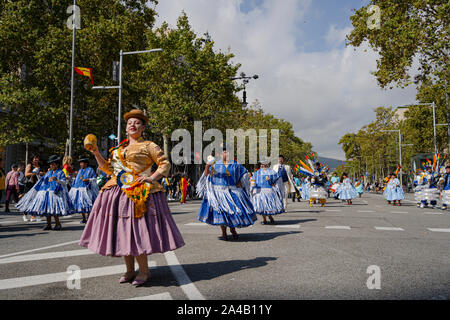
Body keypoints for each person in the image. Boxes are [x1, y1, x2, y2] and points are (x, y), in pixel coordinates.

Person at [80, 109, 185, 287]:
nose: (132, 125)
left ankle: (144, 271)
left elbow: (164, 164)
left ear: (143, 127)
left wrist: (151, 178)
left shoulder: (150, 145)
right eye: (129, 123)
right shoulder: (118, 149)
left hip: (140, 194)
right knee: (122, 232)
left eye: (136, 123)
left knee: (136, 232)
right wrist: (96, 152)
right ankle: (129, 270)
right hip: (117, 193)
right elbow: (108, 170)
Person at [196, 143, 257, 241]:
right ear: (220, 154)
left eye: (228, 151)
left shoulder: (236, 165)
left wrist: (241, 183)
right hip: (220, 193)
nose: (226, 153)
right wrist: (207, 166)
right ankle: (224, 232)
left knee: (232, 213)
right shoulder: (215, 165)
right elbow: (207, 176)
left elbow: (245, 175)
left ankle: (232, 229)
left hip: (233, 192)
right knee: (222, 213)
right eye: (224, 151)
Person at [16, 155, 74, 230]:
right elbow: (42, 180)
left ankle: (58, 224)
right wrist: (37, 175)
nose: (51, 165)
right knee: (47, 209)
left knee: (54, 209)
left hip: (55, 193)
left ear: (57, 164)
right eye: (50, 164)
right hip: (46, 192)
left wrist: (56, 180)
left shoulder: (60, 172)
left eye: (53, 164)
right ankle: (49, 224)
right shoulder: (48, 172)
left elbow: (64, 183)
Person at [250, 158, 285, 225]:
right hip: (260, 191)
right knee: (262, 206)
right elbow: (253, 181)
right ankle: (264, 219)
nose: (263, 165)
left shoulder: (272, 172)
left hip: (269, 191)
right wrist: (252, 188)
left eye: (265, 163)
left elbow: (277, 179)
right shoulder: (257, 173)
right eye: (262, 164)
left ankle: (270, 217)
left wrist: (274, 185)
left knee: (268, 206)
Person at [69, 157, 99, 224]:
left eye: (82, 163)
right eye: (80, 163)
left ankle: (89, 218)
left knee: (88, 204)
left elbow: (94, 179)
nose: (81, 164)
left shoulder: (90, 170)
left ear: (86, 163)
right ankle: (83, 218)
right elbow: (77, 179)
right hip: (78, 189)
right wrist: (71, 179)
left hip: (87, 189)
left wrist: (87, 179)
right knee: (80, 204)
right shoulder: (80, 171)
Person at [23, 154, 41, 222]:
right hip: (30, 185)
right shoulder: (29, 165)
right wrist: (34, 173)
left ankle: (33, 216)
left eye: (37, 158)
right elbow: (26, 174)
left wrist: (41, 173)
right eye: (35, 158)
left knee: (35, 200)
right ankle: (25, 215)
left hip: (37, 185)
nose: (36, 160)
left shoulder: (39, 166)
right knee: (28, 200)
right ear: (32, 159)